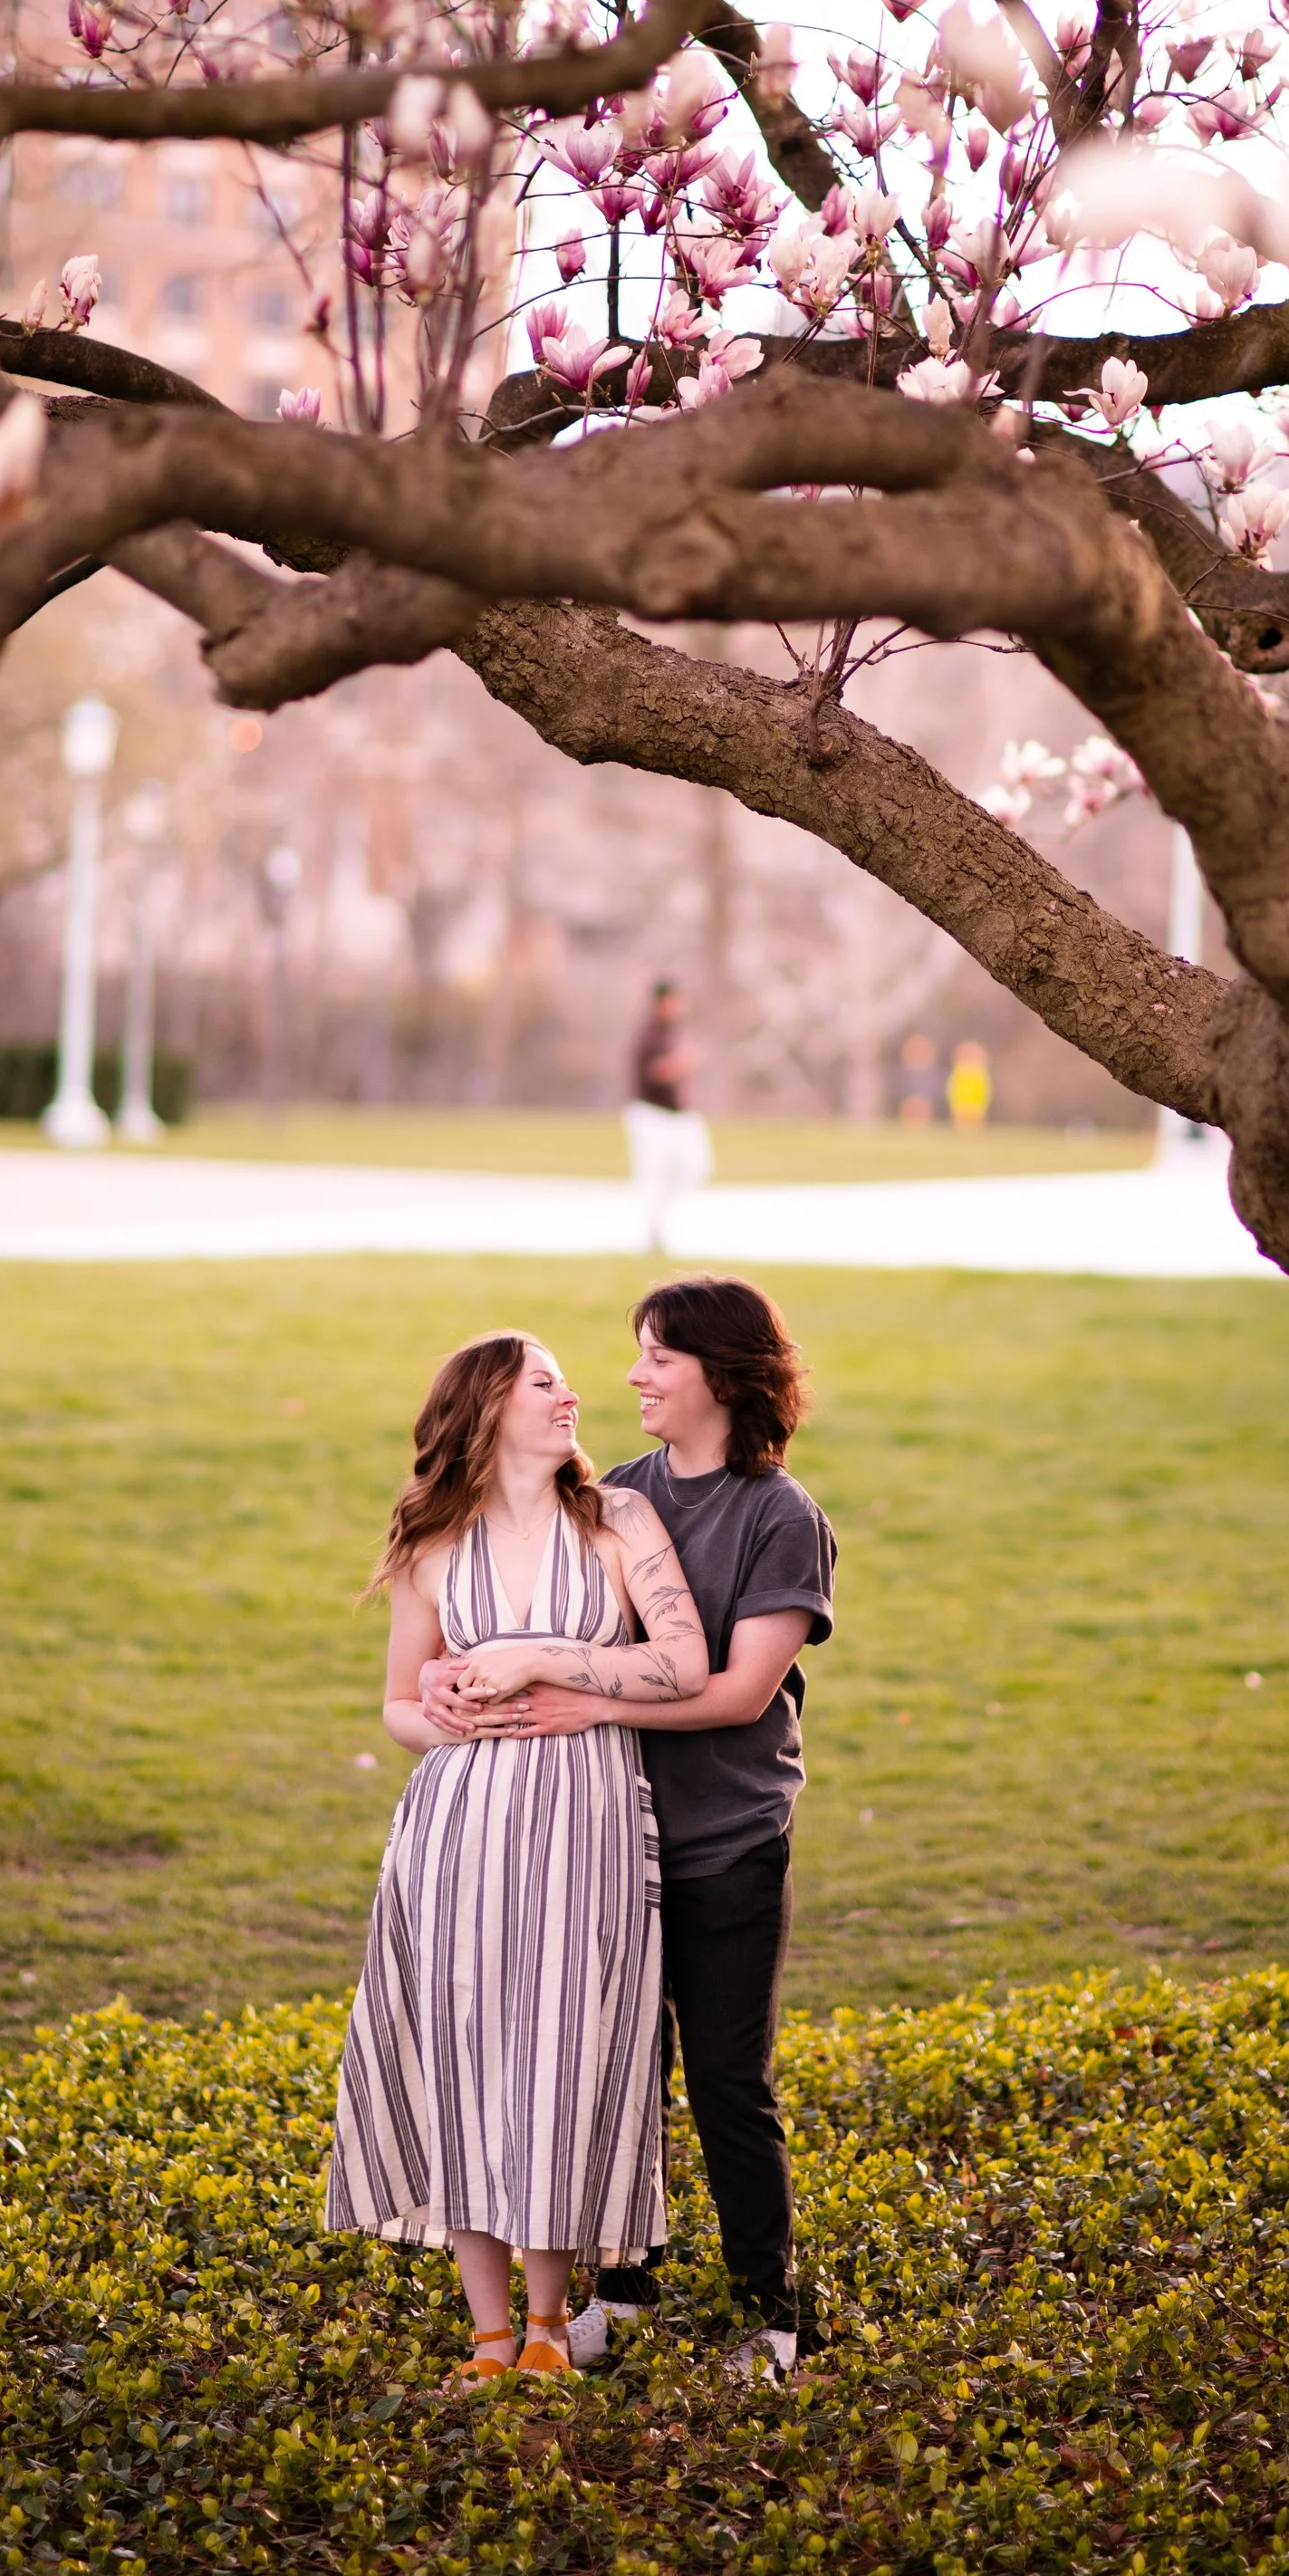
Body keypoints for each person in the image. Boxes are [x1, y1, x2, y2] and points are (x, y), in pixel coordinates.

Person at [425, 1276, 834, 2382]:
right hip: (603, 1838)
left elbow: (741, 1691)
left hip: (726, 1842)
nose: (634, 1376)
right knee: (612, 2072)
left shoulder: (778, 1517)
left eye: (657, 1356)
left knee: (726, 2079)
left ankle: (772, 2312)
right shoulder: (621, 1496)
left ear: (723, 1375)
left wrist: (586, 1701)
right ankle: (625, 2291)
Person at [324, 1332, 708, 2385]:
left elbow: (683, 1663)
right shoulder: (431, 1541)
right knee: (464, 2058)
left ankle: (551, 2323)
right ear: (489, 1406)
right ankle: (491, 2334)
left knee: (562, 2058)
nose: (573, 1394)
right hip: (459, 1834)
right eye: (546, 1382)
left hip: (587, 1823)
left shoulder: (616, 1521)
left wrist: (537, 1654)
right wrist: (442, 1712)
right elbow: (400, 1706)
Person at [623, 976, 715, 1252]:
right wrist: (685, 1061)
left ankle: (663, 1217)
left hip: (680, 1116)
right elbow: (658, 1072)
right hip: (652, 1115)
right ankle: (652, 1231)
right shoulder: (649, 1035)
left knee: (696, 1167)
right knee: (651, 1174)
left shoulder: (677, 1032)